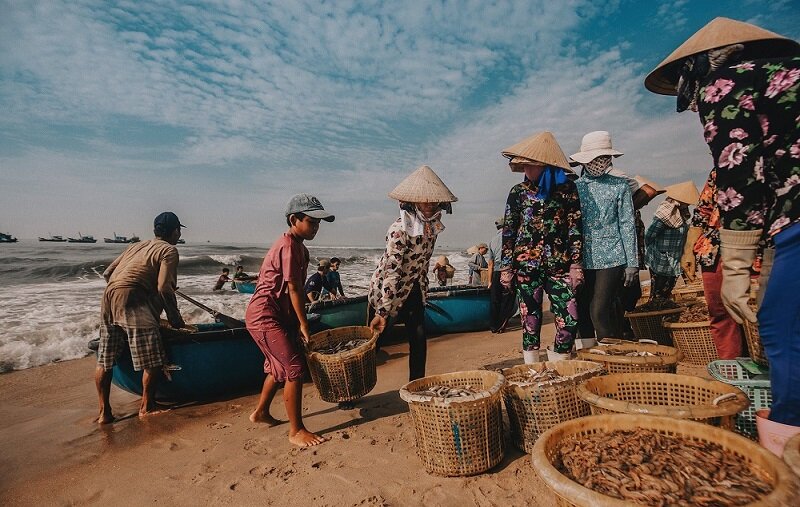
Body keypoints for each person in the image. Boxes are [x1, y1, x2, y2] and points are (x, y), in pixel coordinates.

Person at [645, 17, 800, 425]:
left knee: (783, 332)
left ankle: (788, 437)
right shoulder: (785, 77)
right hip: (779, 225)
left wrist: (735, 264)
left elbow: (740, 178)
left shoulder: (726, 84)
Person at [245, 193, 334, 447]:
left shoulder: (300, 249)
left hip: (277, 315)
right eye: (312, 221)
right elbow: (294, 289)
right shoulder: (287, 246)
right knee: (294, 368)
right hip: (264, 315)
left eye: (319, 223)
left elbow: (292, 292)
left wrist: (294, 323)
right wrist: (304, 323)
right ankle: (296, 431)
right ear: (294, 219)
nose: (316, 227)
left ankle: (260, 412)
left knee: (277, 367)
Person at [95, 211, 186, 423]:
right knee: (152, 358)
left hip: (109, 296)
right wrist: (175, 318)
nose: (179, 234)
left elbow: (108, 274)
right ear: (175, 231)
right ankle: (147, 406)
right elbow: (164, 287)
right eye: (178, 230)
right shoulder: (169, 250)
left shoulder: (136, 246)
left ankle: (104, 413)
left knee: (105, 359)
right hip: (132, 296)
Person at [499, 131, 582, 363]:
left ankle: (559, 368)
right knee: (530, 322)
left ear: (546, 165)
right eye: (524, 166)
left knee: (570, 319)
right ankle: (533, 372)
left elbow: (575, 227)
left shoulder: (567, 190)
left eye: (531, 165)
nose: (527, 170)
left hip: (560, 265)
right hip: (526, 266)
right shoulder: (518, 193)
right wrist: (506, 268)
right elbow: (509, 231)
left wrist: (576, 263)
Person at [368, 165, 457, 381]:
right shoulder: (398, 230)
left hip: (413, 289)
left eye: (433, 201)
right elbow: (392, 272)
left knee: (418, 338)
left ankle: (416, 385)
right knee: (374, 343)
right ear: (413, 202)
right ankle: (353, 389)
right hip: (386, 293)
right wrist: (383, 311)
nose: (429, 205)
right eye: (423, 201)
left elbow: (422, 264)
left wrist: (422, 293)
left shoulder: (432, 229)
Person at [571, 131, 638, 340]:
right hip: (583, 257)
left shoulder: (619, 186)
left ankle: (610, 355)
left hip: (612, 256)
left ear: (609, 158)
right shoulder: (576, 188)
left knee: (599, 310)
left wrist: (632, 263)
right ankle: (591, 357)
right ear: (584, 161)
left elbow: (627, 224)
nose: (598, 163)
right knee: (582, 311)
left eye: (603, 158)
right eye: (594, 159)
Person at [682, 168, 748, 359]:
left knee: (761, 313)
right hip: (715, 248)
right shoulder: (720, 169)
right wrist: (688, 251)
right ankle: (731, 370)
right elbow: (702, 211)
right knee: (721, 314)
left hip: (757, 247)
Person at [644, 181, 699, 300]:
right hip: (661, 259)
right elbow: (649, 235)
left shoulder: (681, 213)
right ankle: (657, 315)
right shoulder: (665, 212)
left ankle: (665, 313)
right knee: (657, 293)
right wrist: (658, 250)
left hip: (675, 258)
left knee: (667, 291)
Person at [487, 217, 516, 333]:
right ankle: (501, 324)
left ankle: (493, 325)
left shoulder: (492, 240)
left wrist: (489, 281)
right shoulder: (512, 238)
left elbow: (490, 263)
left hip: (496, 273)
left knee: (495, 299)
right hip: (508, 271)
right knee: (508, 299)